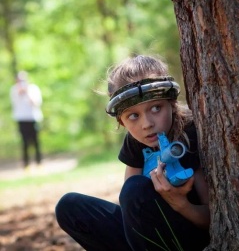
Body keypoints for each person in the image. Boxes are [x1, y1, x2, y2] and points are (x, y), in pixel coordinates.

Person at [55, 54, 210, 250]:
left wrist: (179, 203)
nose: (147, 124)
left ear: (171, 103)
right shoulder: (136, 141)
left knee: (135, 189)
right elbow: (130, 207)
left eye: (156, 108)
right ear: (122, 121)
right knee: (69, 207)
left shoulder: (189, 136)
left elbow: (211, 220)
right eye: (133, 116)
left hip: (187, 236)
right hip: (148, 239)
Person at [10, 71, 43, 169]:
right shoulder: (14, 90)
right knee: (24, 142)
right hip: (21, 118)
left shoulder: (33, 88)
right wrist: (20, 92)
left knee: (36, 141)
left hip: (33, 117)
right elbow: (14, 102)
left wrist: (27, 92)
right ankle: (26, 164)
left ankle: (39, 162)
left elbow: (36, 103)